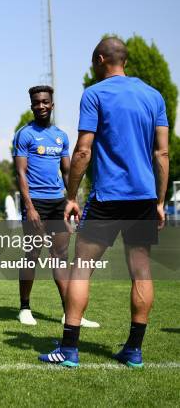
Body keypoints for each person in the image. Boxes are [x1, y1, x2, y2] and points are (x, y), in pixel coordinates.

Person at [39, 37, 169, 367]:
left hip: (108, 197)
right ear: (123, 60)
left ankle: (68, 350)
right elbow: (162, 153)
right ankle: (134, 350)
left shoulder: (94, 94)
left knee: (81, 269)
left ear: (100, 59)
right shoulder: (154, 96)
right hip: (144, 197)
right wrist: (160, 201)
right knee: (141, 270)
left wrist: (70, 196)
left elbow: (83, 150)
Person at [13, 85, 98, 328]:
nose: (40, 106)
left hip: (57, 202)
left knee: (60, 256)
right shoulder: (24, 135)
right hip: (35, 202)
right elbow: (20, 173)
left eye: (44, 102)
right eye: (36, 102)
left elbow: (68, 171)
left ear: (52, 104)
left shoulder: (61, 136)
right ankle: (24, 308)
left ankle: (69, 313)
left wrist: (73, 200)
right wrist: (29, 206)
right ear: (32, 106)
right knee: (32, 254)